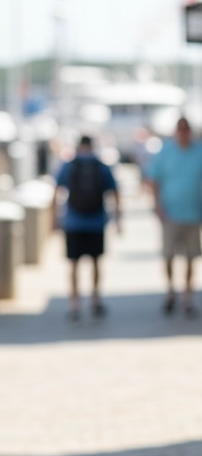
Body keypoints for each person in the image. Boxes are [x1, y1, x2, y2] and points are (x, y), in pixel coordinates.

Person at [148, 117, 202, 316]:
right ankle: (171, 291)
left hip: (194, 213)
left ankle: (187, 297)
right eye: (180, 129)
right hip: (170, 213)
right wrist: (156, 205)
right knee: (168, 255)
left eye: (186, 129)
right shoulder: (166, 152)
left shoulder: (201, 152)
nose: (183, 133)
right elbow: (154, 179)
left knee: (191, 257)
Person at [53, 135, 120, 322]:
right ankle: (95, 299)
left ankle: (74, 304)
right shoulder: (101, 166)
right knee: (96, 263)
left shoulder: (69, 165)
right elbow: (114, 191)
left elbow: (56, 189)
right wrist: (118, 218)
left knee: (73, 264)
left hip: (73, 222)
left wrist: (54, 219)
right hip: (96, 222)